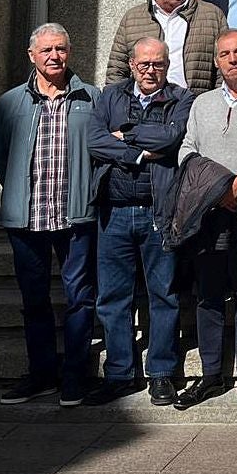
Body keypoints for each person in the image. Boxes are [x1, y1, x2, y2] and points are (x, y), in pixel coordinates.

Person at [0, 23, 99, 407]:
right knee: (34, 299)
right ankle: (41, 375)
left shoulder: (91, 97)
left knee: (79, 298)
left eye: (61, 49)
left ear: (70, 53)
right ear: (32, 55)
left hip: (75, 218)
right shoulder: (10, 102)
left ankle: (74, 377)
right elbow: (2, 160)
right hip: (27, 219)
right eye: (47, 50)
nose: (54, 56)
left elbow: (100, 155)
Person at [85, 37, 192, 407]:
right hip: (113, 212)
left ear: (167, 65)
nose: (151, 71)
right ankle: (119, 373)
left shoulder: (181, 99)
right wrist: (140, 152)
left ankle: (161, 373)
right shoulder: (110, 96)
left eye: (158, 64)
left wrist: (125, 136)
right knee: (112, 297)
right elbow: (94, 140)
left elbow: (171, 136)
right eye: (144, 64)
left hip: (157, 211)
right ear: (131, 65)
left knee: (163, 294)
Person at [172, 29, 237, 410]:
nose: (232, 60)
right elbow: (187, 151)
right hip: (210, 212)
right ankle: (212, 374)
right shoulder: (202, 103)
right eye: (225, 54)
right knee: (209, 294)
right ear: (215, 61)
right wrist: (220, 188)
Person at [106, 0, 227, 94]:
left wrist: (214, 104)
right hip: (144, 107)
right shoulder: (133, 18)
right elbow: (117, 69)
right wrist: (117, 104)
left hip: (194, 105)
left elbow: (224, 67)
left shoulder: (212, 16)